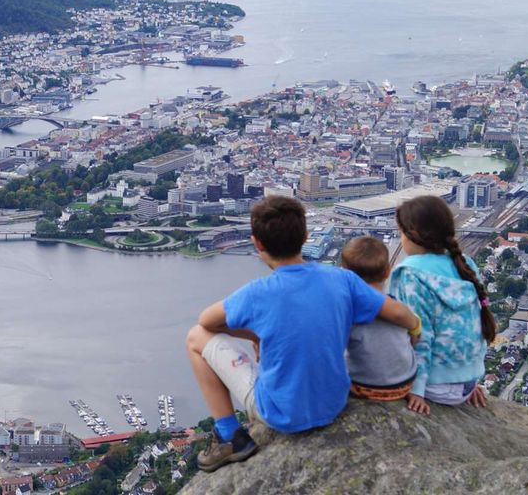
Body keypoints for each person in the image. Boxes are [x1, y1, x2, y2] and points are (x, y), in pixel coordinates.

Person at [185, 196, 422, 473]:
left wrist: (253, 336)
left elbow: (206, 322)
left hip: (280, 414)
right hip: (334, 404)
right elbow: (396, 312)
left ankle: (229, 435)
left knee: (194, 338)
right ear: (306, 236)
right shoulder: (342, 280)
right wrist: (415, 327)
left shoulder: (256, 293)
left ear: (257, 243)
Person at [392, 195, 497, 415]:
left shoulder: (410, 274)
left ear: (413, 235)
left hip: (433, 385)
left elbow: (421, 336)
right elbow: (474, 324)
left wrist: (417, 391)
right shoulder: (464, 263)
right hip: (467, 384)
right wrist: (469, 380)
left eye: (401, 232)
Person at [340, 236, 418, 401]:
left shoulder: (349, 310)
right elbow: (414, 337)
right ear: (387, 271)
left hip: (363, 387)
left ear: (345, 274)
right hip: (405, 383)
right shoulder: (397, 306)